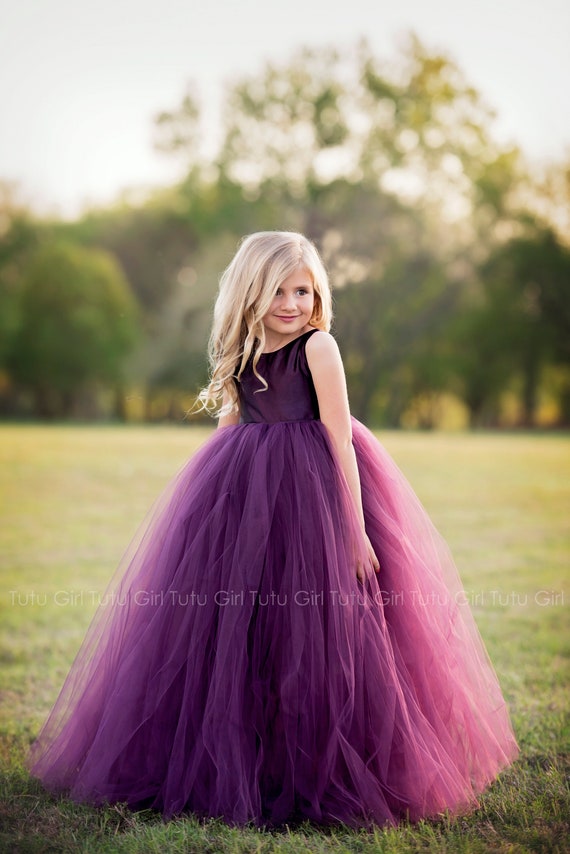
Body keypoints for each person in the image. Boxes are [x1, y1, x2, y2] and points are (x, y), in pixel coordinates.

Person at [28, 231, 519, 829]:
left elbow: (340, 435)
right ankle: (248, 761)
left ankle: (317, 764)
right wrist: (201, 505)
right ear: (249, 293)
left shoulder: (318, 348)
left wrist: (355, 527)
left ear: (317, 295)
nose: (290, 303)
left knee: (319, 627)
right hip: (247, 494)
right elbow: (232, 423)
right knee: (242, 629)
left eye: (302, 290)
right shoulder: (243, 349)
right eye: (276, 291)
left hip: (315, 492)